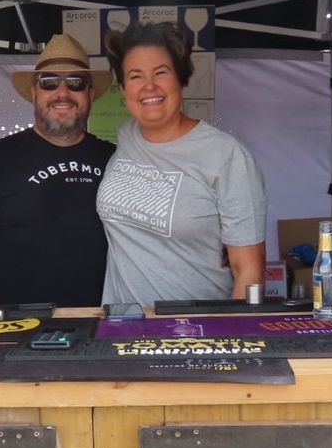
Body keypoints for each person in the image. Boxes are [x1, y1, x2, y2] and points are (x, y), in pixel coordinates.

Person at [97, 22, 267, 306]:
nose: (149, 86)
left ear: (181, 78)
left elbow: (249, 270)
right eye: (135, 76)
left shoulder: (226, 155)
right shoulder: (126, 137)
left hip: (195, 333)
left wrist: (230, 339)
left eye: (161, 73)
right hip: (121, 329)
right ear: (123, 87)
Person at [0, 34, 115, 307]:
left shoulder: (114, 159)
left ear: (90, 94)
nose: (63, 93)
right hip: (17, 332)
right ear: (35, 92)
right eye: (49, 83)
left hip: (102, 326)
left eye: (76, 83)